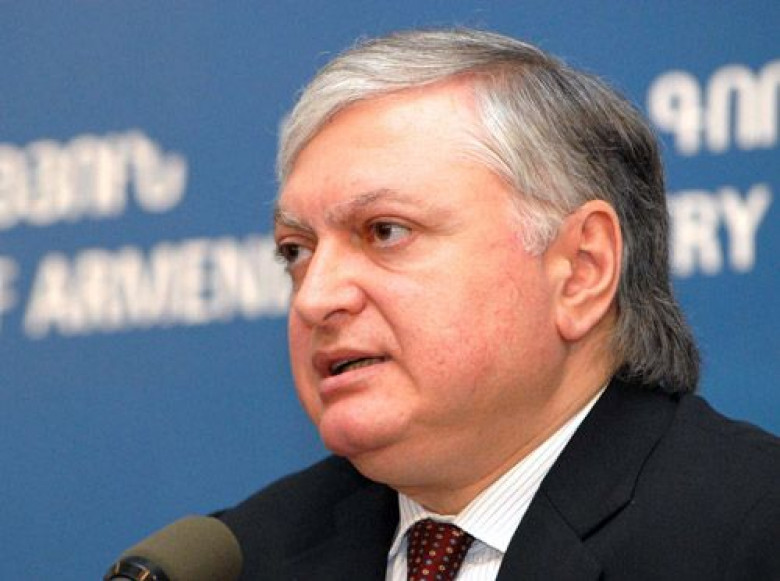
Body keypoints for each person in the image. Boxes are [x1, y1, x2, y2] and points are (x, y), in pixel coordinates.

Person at [219, 28, 780, 579]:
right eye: (296, 251)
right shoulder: (238, 559)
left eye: (385, 231)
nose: (314, 297)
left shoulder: (753, 533)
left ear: (581, 270)